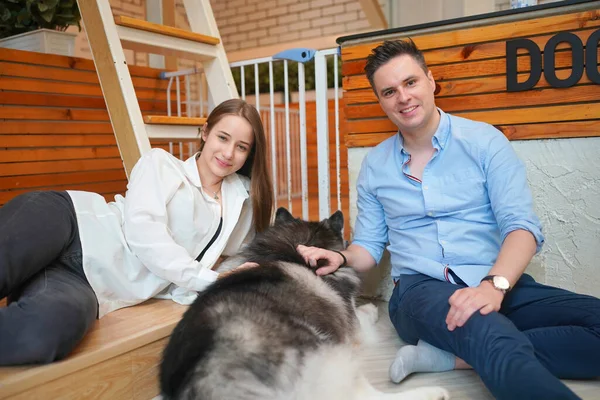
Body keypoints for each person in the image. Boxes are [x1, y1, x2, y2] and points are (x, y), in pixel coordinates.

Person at [297, 39, 600, 400]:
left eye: (410, 83)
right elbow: (370, 247)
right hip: (419, 292)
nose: (403, 97)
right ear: (381, 101)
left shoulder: (485, 142)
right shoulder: (375, 166)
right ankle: (480, 347)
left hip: (494, 281)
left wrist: (493, 287)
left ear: (430, 80)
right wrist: (343, 257)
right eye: (389, 91)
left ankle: (451, 358)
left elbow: (522, 228)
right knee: (489, 333)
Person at [0, 98, 273, 366]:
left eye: (241, 147)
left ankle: (29, 276)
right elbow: (145, 235)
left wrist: (304, 249)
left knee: (42, 335)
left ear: (250, 154)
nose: (228, 153)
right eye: (222, 138)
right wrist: (210, 280)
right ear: (205, 132)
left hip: (87, 282)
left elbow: (261, 247)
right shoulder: (162, 164)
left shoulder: (244, 201)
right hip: (68, 221)